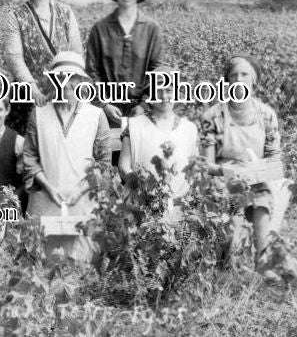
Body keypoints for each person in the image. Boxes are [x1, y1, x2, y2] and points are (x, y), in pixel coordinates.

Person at [23, 52, 111, 262]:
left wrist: (79, 191)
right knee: (43, 268)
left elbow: (104, 163)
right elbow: (29, 158)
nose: (66, 84)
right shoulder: (39, 115)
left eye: (72, 79)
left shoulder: (96, 116)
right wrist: (49, 186)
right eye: (60, 78)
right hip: (46, 199)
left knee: (80, 267)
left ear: (81, 82)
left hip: (82, 202)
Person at [200, 55, 287, 265]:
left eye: (244, 74)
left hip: (256, 177)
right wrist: (228, 172)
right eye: (233, 75)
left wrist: (260, 170)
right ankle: (230, 250)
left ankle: (263, 259)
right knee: (230, 254)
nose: (239, 79)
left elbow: (274, 158)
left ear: (254, 81)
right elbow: (206, 165)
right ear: (226, 82)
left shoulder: (266, 115)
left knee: (262, 199)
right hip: (224, 179)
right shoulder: (213, 116)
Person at [5, 0, 82, 135]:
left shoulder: (66, 12)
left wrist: (65, 88)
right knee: (28, 151)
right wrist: (35, 91)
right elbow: (14, 57)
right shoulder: (16, 16)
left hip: (63, 95)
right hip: (28, 97)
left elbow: (76, 53)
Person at [85, 0, 164, 129]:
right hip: (107, 111)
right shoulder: (100, 28)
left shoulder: (151, 28)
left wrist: (144, 105)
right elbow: (92, 71)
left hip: (143, 111)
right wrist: (104, 104)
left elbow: (158, 71)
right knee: (109, 152)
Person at [118, 65, 198, 210]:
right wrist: (135, 183)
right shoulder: (135, 126)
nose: (164, 96)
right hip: (142, 206)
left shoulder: (189, 129)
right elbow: (124, 165)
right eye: (158, 90)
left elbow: (194, 169)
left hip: (180, 208)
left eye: (168, 90)